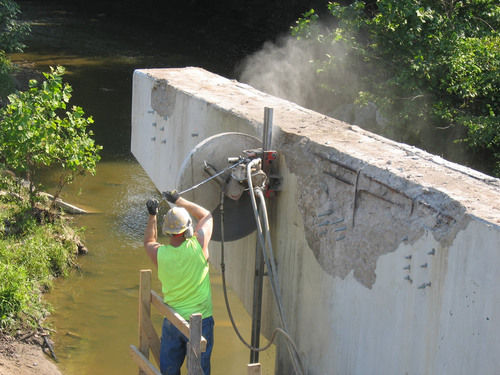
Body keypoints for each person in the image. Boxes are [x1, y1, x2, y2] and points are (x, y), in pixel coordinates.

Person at [143, 190, 214, 375]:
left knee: (169, 371)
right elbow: (206, 215)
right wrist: (178, 200)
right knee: (199, 371)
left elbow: (149, 241)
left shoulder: (161, 255)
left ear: (167, 231)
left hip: (173, 320)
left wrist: (152, 215)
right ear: (188, 229)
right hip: (201, 321)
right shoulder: (198, 244)